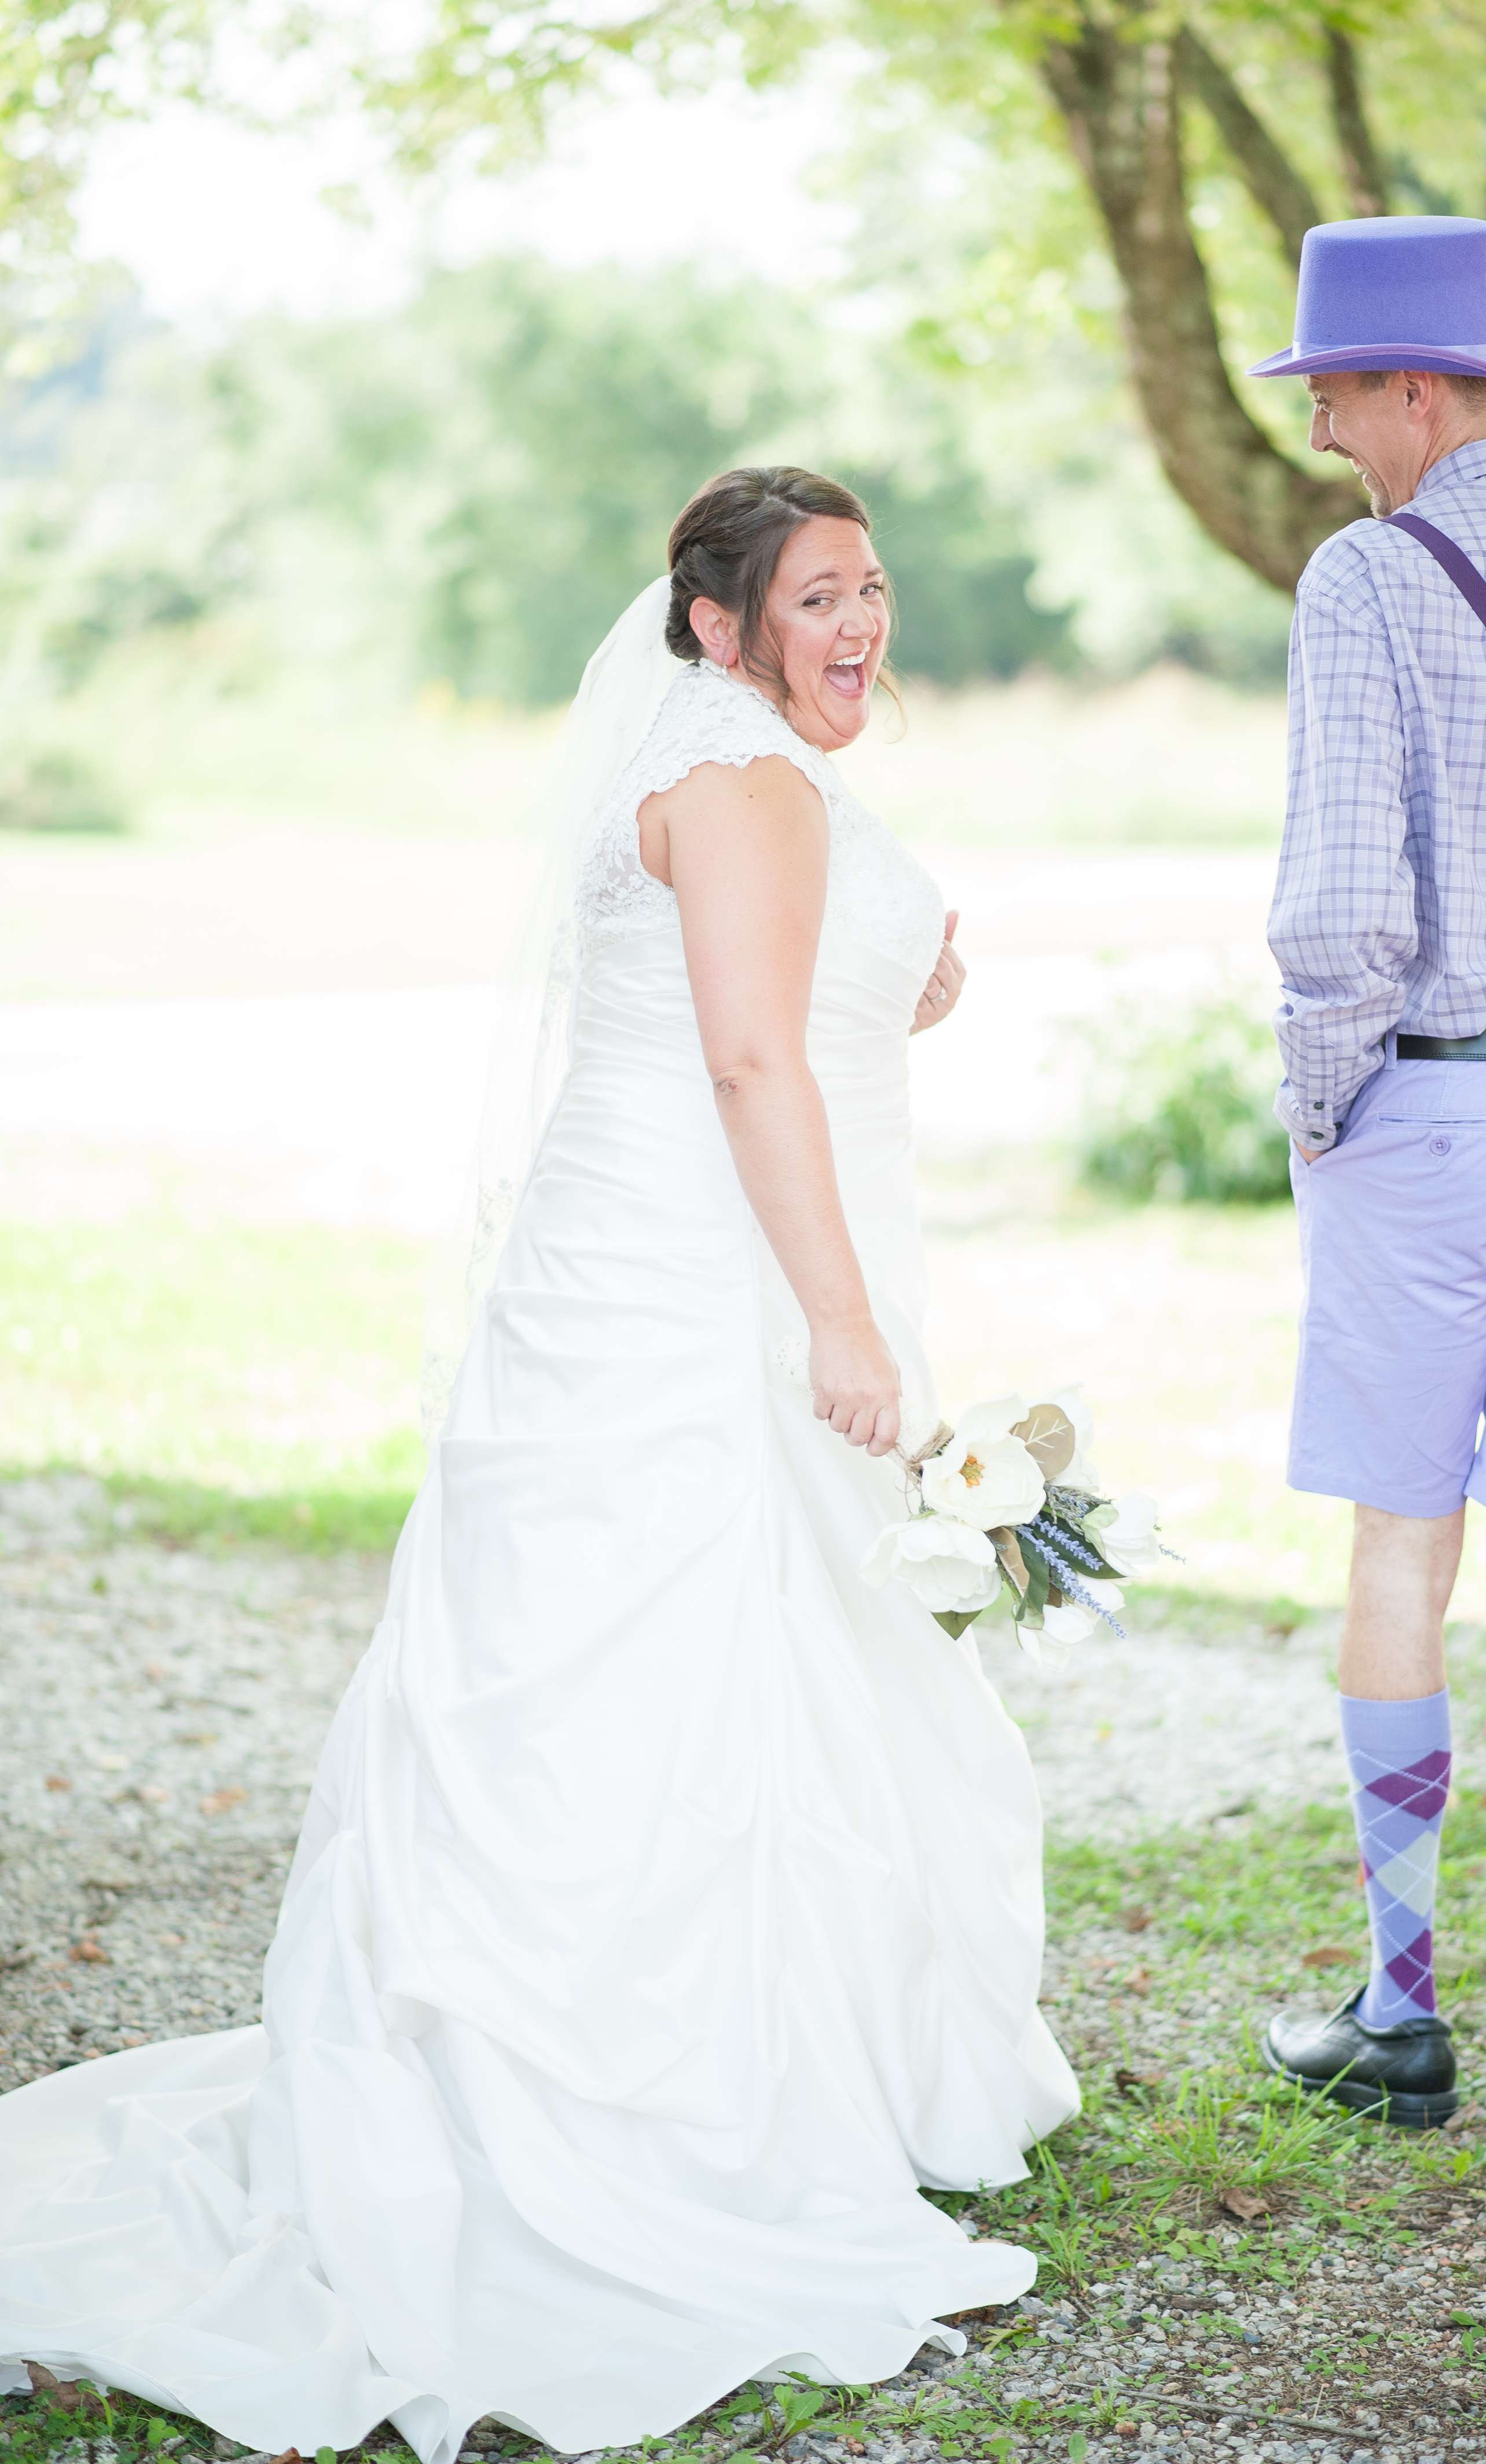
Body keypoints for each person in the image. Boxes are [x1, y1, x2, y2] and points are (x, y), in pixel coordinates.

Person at [0, 467, 1078, 2456]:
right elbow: (749, 1062)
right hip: (698, 1307)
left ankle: (696, 2069)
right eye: (818, 596)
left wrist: (893, 987)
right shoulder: (745, 782)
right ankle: (644, 2117)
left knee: (684, 1675)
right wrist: (845, 1327)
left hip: (652, 1267)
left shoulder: (706, 769)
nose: (862, 623)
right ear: (720, 627)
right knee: (671, 1676)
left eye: (875, 588)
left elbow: (756, 1017)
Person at [1249, 214, 1486, 2190]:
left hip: (1438, 1106)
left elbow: (1342, 912)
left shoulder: (1371, 580)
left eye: (1329, 391)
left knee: (1401, 1548)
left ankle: (1403, 2015)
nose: (1323, 431)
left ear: (1416, 387)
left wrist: (1323, 1112)